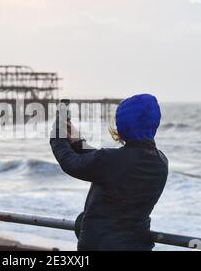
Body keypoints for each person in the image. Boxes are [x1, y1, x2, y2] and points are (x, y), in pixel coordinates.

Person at [50, 94, 168, 251]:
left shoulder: (111, 161)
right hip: (138, 245)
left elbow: (71, 163)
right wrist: (78, 143)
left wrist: (58, 136)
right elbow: (109, 163)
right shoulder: (161, 162)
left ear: (122, 124)